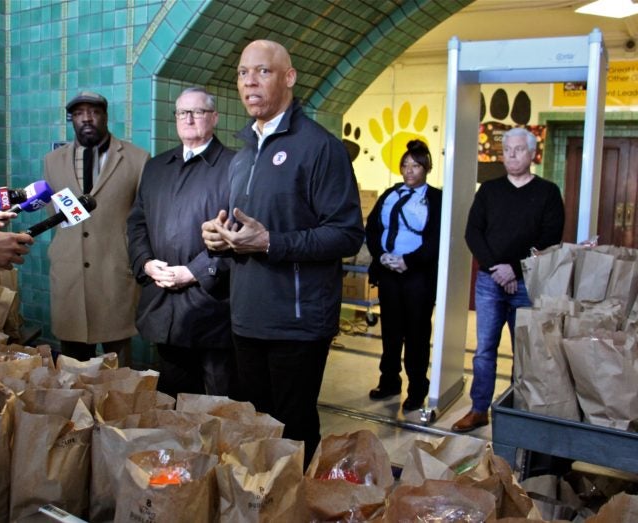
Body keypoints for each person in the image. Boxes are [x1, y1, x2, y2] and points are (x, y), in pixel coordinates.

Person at [201, 40, 364, 464]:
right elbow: (245, 229)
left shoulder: (319, 147)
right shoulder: (243, 154)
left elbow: (347, 234)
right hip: (246, 317)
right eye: (242, 73)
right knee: (253, 430)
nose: (250, 81)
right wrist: (221, 238)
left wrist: (271, 242)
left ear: (289, 78)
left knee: (292, 434)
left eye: (263, 71)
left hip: (297, 323)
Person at [453, 127, 564, 433]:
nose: (511, 155)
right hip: (490, 282)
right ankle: (478, 409)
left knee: (525, 352)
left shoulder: (548, 193)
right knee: (484, 350)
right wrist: (497, 269)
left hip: (527, 284)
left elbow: (550, 240)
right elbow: (472, 233)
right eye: (507, 150)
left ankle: (518, 412)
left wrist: (514, 269)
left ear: (532, 154)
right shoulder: (488, 190)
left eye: (518, 149)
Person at [127, 87, 237, 398]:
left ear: (214, 117)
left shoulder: (236, 166)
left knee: (220, 403)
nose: (188, 118)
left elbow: (243, 235)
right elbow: (136, 224)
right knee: (172, 400)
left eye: (198, 111)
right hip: (164, 306)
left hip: (213, 307)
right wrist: (147, 264)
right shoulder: (157, 167)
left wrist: (194, 271)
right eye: (181, 112)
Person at [44, 91, 149, 365]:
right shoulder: (52, 162)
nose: (86, 119)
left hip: (114, 275)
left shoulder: (137, 159)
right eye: (79, 113)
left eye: (94, 112)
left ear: (105, 115)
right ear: (72, 120)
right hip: (70, 278)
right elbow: (53, 214)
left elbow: (142, 220)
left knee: (120, 369)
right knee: (72, 369)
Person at [366, 139, 442, 412]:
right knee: (390, 332)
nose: (409, 171)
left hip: (417, 277)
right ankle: (389, 382)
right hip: (388, 273)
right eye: (405, 165)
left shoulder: (436, 198)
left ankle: (417, 388)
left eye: (416, 166)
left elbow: (436, 240)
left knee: (417, 334)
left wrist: (408, 261)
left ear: (426, 168)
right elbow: (373, 228)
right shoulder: (390, 193)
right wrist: (381, 255)